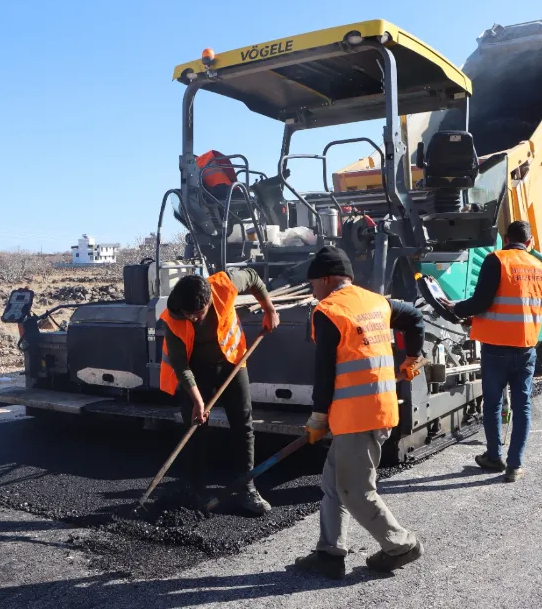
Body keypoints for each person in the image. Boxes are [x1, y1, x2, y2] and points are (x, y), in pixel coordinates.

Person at [294, 246, 425, 580]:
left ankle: (401, 545)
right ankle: (330, 553)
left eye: (313, 284)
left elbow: (324, 371)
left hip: (356, 417)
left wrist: (318, 418)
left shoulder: (329, 311)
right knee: (333, 484)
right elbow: (414, 317)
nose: (313, 291)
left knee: (355, 490)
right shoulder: (375, 301)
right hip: (378, 409)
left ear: (325, 279)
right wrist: (412, 357)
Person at [159, 270, 280, 515]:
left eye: (198, 314)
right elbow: (181, 366)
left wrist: (269, 309)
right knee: (195, 427)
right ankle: (195, 490)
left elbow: (254, 279)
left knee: (243, 425)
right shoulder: (173, 318)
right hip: (195, 369)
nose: (192, 319)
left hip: (232, 361)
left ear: (208, 300)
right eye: (188, 314)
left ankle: (247, 487)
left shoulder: (224, 285)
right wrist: (197, 401)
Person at [447, 220, 542, 483]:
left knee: (493, 403)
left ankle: (494, 457)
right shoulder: (540, 267)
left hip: (496, 347)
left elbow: (483, 300)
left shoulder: (497, 260)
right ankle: (515, 465)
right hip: (526, 347)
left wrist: (456, 309)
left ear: (505, 238)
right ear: (529, 242)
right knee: (522, 405)